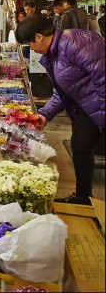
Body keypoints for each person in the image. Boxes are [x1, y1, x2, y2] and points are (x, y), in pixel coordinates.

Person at [15, 14, 105, 205]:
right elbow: (61, 91)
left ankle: (84, 197)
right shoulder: (54, 52)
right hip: (86, 105)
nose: (31, 48)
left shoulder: (75, 43)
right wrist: (45, 114)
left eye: (30, 43)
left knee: (82, 146)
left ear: (39, 37)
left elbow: (103, 79)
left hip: (98, 104)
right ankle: (83, 197)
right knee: (80, 147)